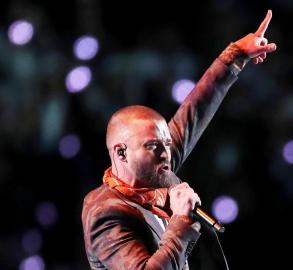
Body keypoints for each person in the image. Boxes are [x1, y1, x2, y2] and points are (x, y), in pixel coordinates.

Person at [82, 10, 277, 270]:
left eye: (165, 143)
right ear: (121, 153)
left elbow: (193, 113)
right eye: (153, 146)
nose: (166, 152)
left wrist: (235, 55)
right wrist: (181, 221)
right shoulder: (106, 213)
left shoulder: (154, 170)